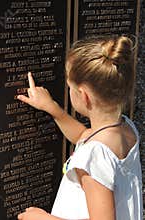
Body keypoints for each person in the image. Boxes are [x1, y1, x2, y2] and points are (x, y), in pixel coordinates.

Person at [17, 36, 143, 220]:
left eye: (70, 86)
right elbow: (85, 136)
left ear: (83, 96)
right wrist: (52, 108)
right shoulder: (126, 128)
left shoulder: (93, 157)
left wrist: (42, 218)